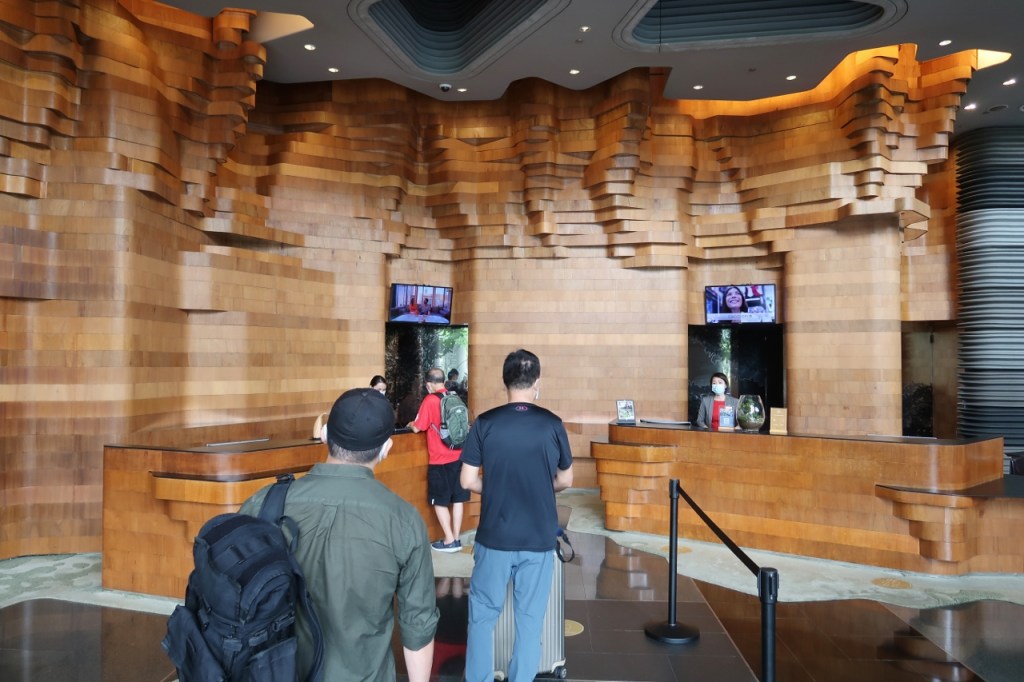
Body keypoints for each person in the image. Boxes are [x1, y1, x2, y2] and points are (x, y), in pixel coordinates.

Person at [239, 388, 437, 682]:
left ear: (324, 435)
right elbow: (417, 626)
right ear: (386, 448)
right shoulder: (403, 520)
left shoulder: (263, 502)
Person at [459, 349, 574, 682]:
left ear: (505, 381)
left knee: (481, 617)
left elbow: (467, 480)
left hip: (494, 536)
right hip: (538, 539)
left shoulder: (485, 423)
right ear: (537, 382)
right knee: (530, 620)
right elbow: (566, 479)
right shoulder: (552, 424)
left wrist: (495, 486)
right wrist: (538, 485)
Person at [407, 367, 470, 552]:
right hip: (458, 456)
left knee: (440, 500)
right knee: (458, 499)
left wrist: (412, 424)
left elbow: (418, 427)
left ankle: (449, 540)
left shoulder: (430, 400)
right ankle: (457, 538)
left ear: (428, 384)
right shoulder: (455, 398)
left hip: (440, 459)